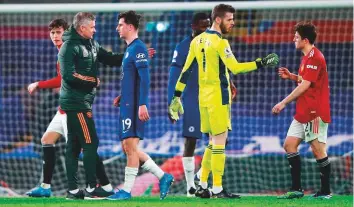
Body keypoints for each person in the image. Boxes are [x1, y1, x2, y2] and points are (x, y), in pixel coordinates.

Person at [169, 4, 278, 199]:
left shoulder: (197, 41)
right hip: (219, 98)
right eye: (229, 19)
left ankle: (202, 182)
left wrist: (176, 97)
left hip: (202, 99)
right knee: (220, 142)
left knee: (212, 143)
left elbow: (185, 72)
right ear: (218, 20)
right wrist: (261, 63)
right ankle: (217, 188)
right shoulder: (221, 43)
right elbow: (235, 68)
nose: (233, 22)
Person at [25, 18, 116, 198]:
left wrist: (39, 84)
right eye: (52, 33)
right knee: (47, 140)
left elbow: (63, 79)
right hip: (64, 108)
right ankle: (45, 186)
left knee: (84, 147)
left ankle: (104, 186)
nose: (55, 36)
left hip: (74, 108)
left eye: (59, 32)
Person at [58, 12, 128, 200]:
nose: (95, 30)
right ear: (82, 28)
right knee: (90, 143)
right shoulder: (68, 47)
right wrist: (93, 80)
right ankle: (91, 189)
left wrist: (131, 54)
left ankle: (73, 191)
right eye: (92, 27)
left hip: (82, 101)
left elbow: (110, 58)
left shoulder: (93, 44)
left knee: (73, 146)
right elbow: (68, 75)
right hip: (76, 103)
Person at [167, 12, 237, 197]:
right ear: (193, 27)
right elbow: (176, 74)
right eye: (202, 26)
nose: (205, 29)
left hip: (212, 97)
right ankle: (191, 187)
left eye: (208, 25)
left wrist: (229, 83)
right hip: (191, 98)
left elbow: (221, 66)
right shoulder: (184, 47)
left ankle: (202, 179)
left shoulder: (214, 42)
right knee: (191, 140)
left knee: (220, 139)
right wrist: (173, 101)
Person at [107, 10, 173, 201]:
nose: (117, 28)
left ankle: (127, 191)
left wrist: (142, 104)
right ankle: (163, 176)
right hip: (127, 103)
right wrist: (123, 95)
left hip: (135, 105)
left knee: (130, 145)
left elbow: (145, 79)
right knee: (128, 148)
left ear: (129, 26)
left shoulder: (138, 47)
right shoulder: (130, 49)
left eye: (120, 24)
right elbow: (133, 78)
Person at [273, 22, 332, 199]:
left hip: (315, 111)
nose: (293, 39)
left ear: (305, 40)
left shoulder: (315, 57)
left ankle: (325, 191)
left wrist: (283, 102)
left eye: (296, 37)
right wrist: (291, 76)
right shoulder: (306, 57)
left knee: (317, 150)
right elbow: (306, 79)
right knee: (289, 145)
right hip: (303, 111)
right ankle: (297, 189)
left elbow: (305, 85)